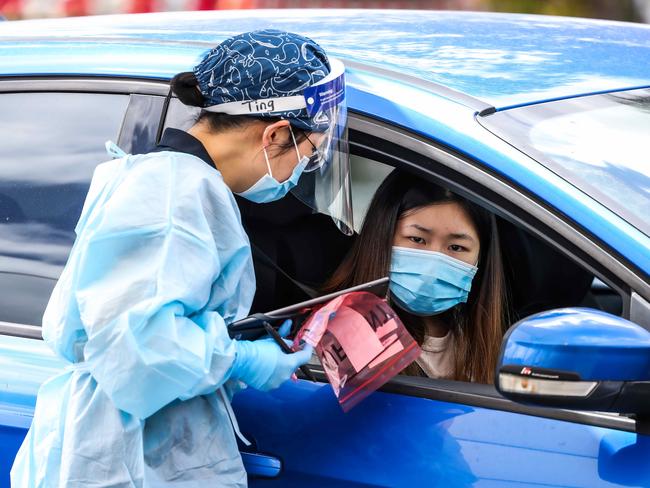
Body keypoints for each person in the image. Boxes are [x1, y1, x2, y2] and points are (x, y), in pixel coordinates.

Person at [11, 29, 350, 487]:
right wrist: (240, 359)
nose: (300, 173)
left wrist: (232, 337)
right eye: (308, 153)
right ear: (273, 135)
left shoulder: (177, 180)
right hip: (127, 458)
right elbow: (138, 346)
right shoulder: (172, 195)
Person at [323, 171, 508, 383]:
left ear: (481, 258)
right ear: (382, 235)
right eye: (417, 239)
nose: (432, 266)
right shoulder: (336, 330)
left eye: (456, 247)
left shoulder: (482, 339)